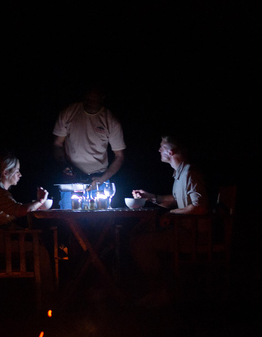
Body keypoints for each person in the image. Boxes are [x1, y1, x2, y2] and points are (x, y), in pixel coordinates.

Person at [129, 136, 208, 303]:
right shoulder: (180, 173)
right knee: (142, 232)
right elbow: (175, 200)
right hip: (184, 232)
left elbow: (200, 207)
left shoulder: (190, 173)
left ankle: (163, 291)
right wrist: (149, 197)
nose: (158, 150)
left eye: (161, 147)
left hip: (195, 236)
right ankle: (166, 289)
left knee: (140, 243)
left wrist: (172, 214)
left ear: (170, 152)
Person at [0, 152, 55, 294]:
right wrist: (39, 201)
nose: (20, 175)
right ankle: (47, 294)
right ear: (6, 173)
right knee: (41, 248)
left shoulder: (0, 194)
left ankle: (41, 292)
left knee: (39, 240)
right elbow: (19, 210)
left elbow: (18, 208)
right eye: (17, 171)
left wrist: (37, 204)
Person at [52, 85, 126, 208]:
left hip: (99, 181)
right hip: (72, 181)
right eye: (87, 99)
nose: (90, 103)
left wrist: (103, 178)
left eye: (94, 99)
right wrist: (65, 166)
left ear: (102, 98)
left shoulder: (110, 121)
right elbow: (57, 144)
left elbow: (120, 156)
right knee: (69, 219)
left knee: (100, 222)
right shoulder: (69, 113)